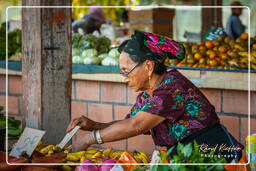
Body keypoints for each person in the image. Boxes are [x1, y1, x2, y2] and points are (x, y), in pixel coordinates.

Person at [67, 30, 244, 163]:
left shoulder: (172, 87)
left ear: (148, 67)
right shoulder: (148, 95)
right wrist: (93, 126)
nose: (125, 78)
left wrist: (88, 139)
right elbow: (128, 124)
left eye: (127, 71)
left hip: (211, 153)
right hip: (186, 154)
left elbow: (134, 126)